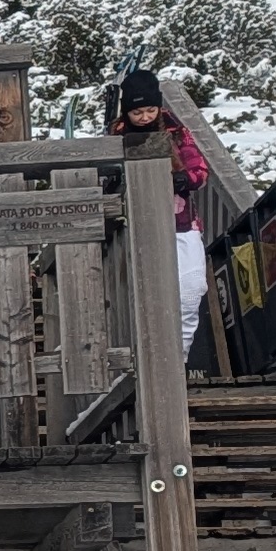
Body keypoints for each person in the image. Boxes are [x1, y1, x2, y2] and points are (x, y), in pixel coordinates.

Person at [114, 67, 211, 356]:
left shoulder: (176, 131)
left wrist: (184, 179)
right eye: (137, 112)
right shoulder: (116, 135)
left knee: (192, 286)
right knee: (149, 292)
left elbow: (200, 171)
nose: (145, 117)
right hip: (138, 222)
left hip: (181, 221)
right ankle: (153, 354)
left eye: (150, 110)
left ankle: (181, 355)